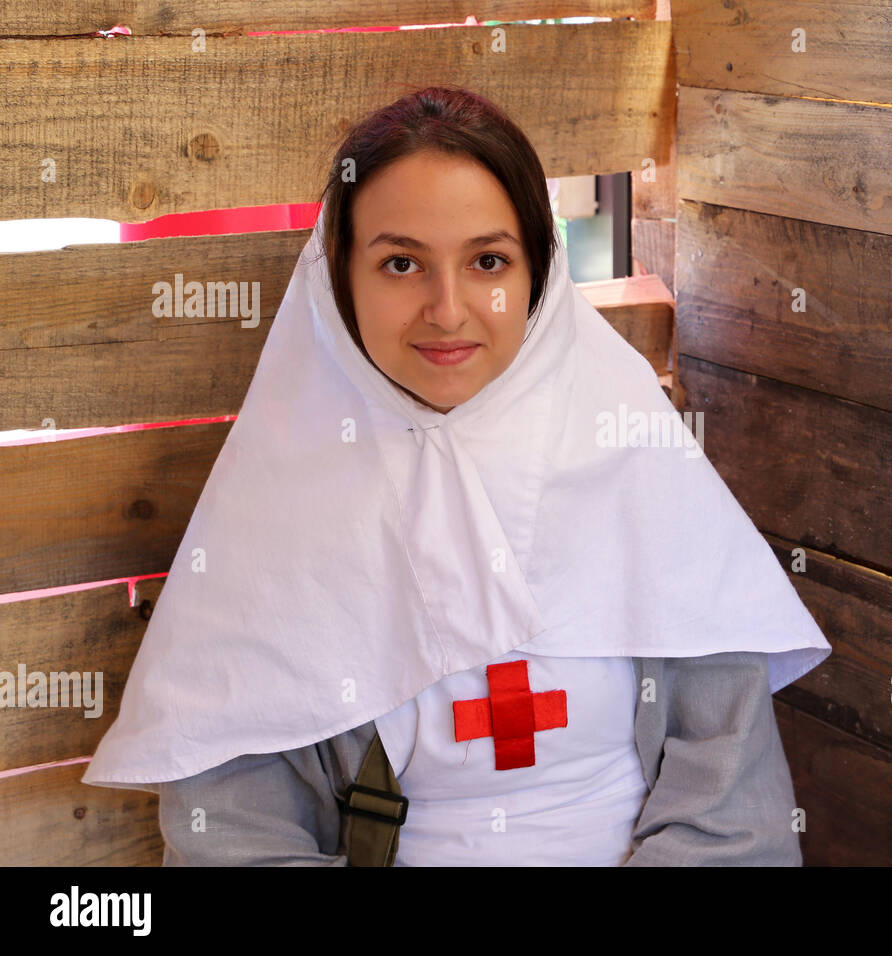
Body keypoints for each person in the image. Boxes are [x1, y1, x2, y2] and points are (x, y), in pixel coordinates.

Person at [82, 85, 831, 865]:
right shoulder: (272, 516)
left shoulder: (637, 455)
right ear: (340, 277)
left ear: (541, 269)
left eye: (488, 262)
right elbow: (233, 844)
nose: (447, 310)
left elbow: (736, 817)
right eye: (401, 263)